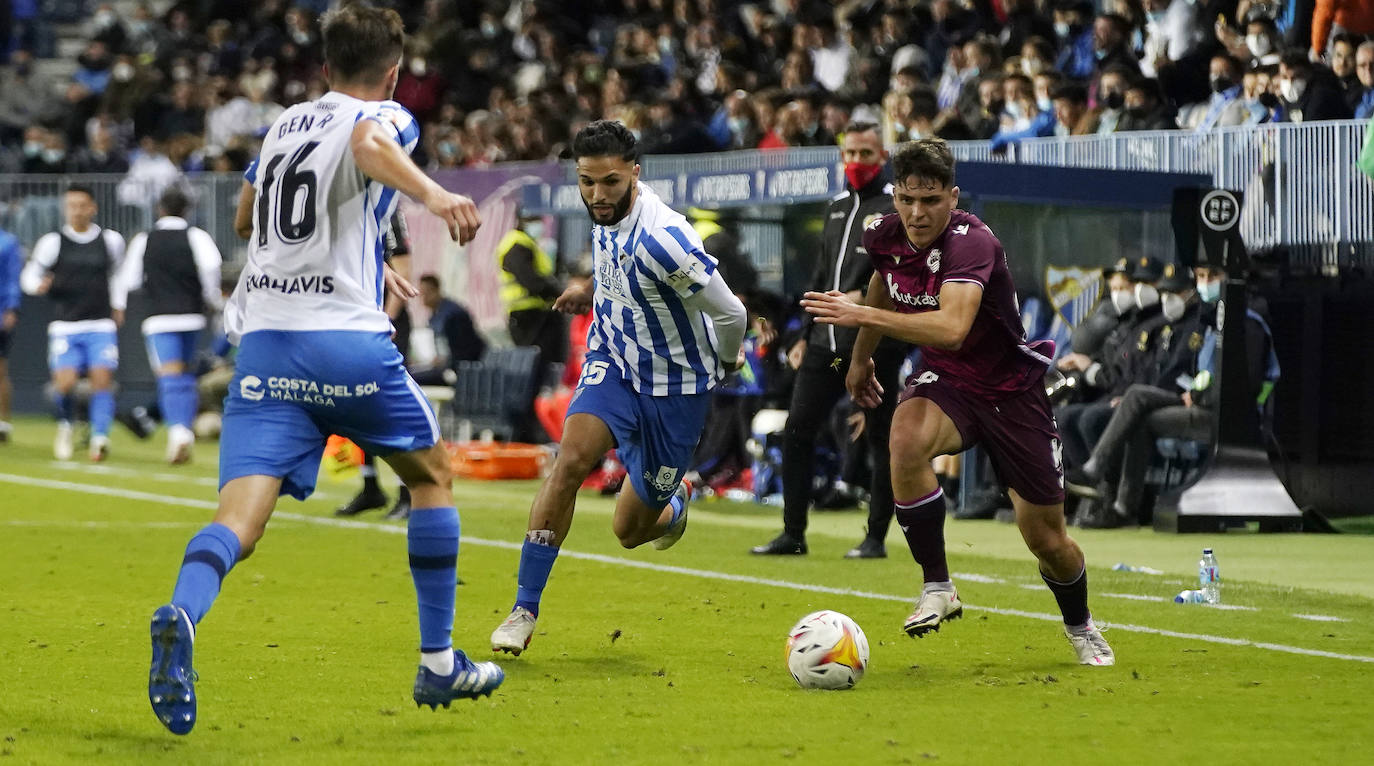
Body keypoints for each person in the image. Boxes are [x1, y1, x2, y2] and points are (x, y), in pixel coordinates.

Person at [146, 6, 502, 736]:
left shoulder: (282, 125)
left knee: (238, 521)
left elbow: (249, 219)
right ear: (393, 72)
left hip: (267, 346)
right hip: (344, 344)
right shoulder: (386, 117)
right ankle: (439, 664)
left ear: (324, 64)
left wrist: (364, 251)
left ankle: (181, 611)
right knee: (432, 477)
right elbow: (369, 142)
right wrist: (432, 195)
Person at [801, 138, 1114, 666]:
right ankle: (938, 586)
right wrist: (860, 361)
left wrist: (862, 319)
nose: (917, 213)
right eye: (907, 199)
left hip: (1012, 391)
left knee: (1046, 538)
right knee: (904, 437)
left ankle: (1080, 624)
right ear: (894, 196)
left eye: (931, 200)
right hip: (948, 381)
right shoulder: (882, 232)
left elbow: (951, 327)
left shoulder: (974, 242)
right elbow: (883, 282)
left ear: (953, 196)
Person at [489, 120, 747, 657]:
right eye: (586, 182)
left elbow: (731, 311)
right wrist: (588, 289)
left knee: (629, 530)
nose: (597, 195)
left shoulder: (666, 239)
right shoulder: (604, 217)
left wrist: (725, 361)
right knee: (570, 461)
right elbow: (616, 271)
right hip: (614, 365)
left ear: (635, 172)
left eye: (608, 183)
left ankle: (674, 505)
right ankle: (523, 609)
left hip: (675, 389)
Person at [752, 121, 906, 559]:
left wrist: (862, 301)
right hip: (826, 347)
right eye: (850, 153)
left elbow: (901, 275)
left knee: (881, 438)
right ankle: (793, 532)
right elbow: (821, 278)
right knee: (798, 430)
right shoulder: (836, 207)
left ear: (882, 157)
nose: (856, 162)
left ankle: (875, 537)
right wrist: (804, 333)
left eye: (866, 154)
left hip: (874, 345)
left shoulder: (894, 208)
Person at [1066, 264, 1280, 527]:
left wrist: (1199, 396)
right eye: (1201, 276)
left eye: (1212, 276)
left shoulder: (1248, 324)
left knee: (1136, 408)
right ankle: (1116, 498)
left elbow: (1248, 385)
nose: (1205, 283)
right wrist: (1196, 393)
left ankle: (1107, 484)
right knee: (1137, 405)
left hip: (1231, 417)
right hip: (1199, 402)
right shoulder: (1214, 323)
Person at [114, 187, 223, 464]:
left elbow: (131, 279)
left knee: (169, 377)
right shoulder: (197, 236)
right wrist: (210, 296)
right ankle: (182, 429)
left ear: (159, 209)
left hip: (159, 316)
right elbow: (212, 267)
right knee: (184, 375)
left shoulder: (144, 239)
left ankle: (179, 433)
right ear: (187, 210)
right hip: (192, 315)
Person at [19, 185, 126, 461]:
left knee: (102, 380)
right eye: (71, 206)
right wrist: (36, 286)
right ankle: (66, 425)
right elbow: (30, 274)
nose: (77, 211)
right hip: (65, 324)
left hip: (100, 322)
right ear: (65, 209)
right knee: (64, 384)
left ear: (93, 208)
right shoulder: (52, 242)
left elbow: (117, 275)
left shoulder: (110, 240)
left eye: (82, 205)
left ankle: (100, 437)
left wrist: (118, 305)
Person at [333, 210, 425, 521]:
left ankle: (408, 490)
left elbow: (402, 269)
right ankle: (371, 486)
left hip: (385, 324)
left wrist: (384, 319)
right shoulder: (350, 206)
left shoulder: (388, 211)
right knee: (359, 405)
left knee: (390, 406)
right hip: (355, 321)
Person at [409, 273, 486, 387]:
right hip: (448, 366)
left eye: (425, 294)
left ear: (436, 290)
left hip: (459, 370)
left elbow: (463, 351)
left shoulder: (452, 314)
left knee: (410, 378)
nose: (422, 299)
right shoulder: (438, 314)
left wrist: (444, 362)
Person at [0, 226, 21, 442]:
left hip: (0, 311)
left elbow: (13, 276)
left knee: (0, 369)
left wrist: (12, 308)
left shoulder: (7, 241)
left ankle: (3, 422)